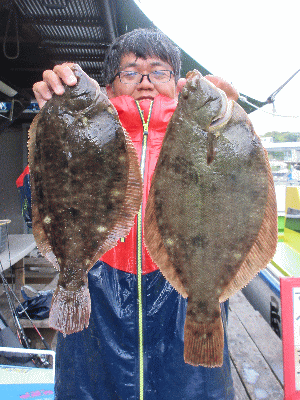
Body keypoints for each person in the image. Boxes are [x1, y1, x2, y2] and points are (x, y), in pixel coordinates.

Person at [31, 28, 239, 400]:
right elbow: (40, 194)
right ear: (108, 88)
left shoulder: (209, 132)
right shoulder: (74, 126)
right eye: (130, 72)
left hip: (183, 296)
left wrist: (231, 123)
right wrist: (54, 109)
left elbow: (245, 195)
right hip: (98, 293)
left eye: (159, 72)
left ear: (176, 84)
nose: (145, 83)